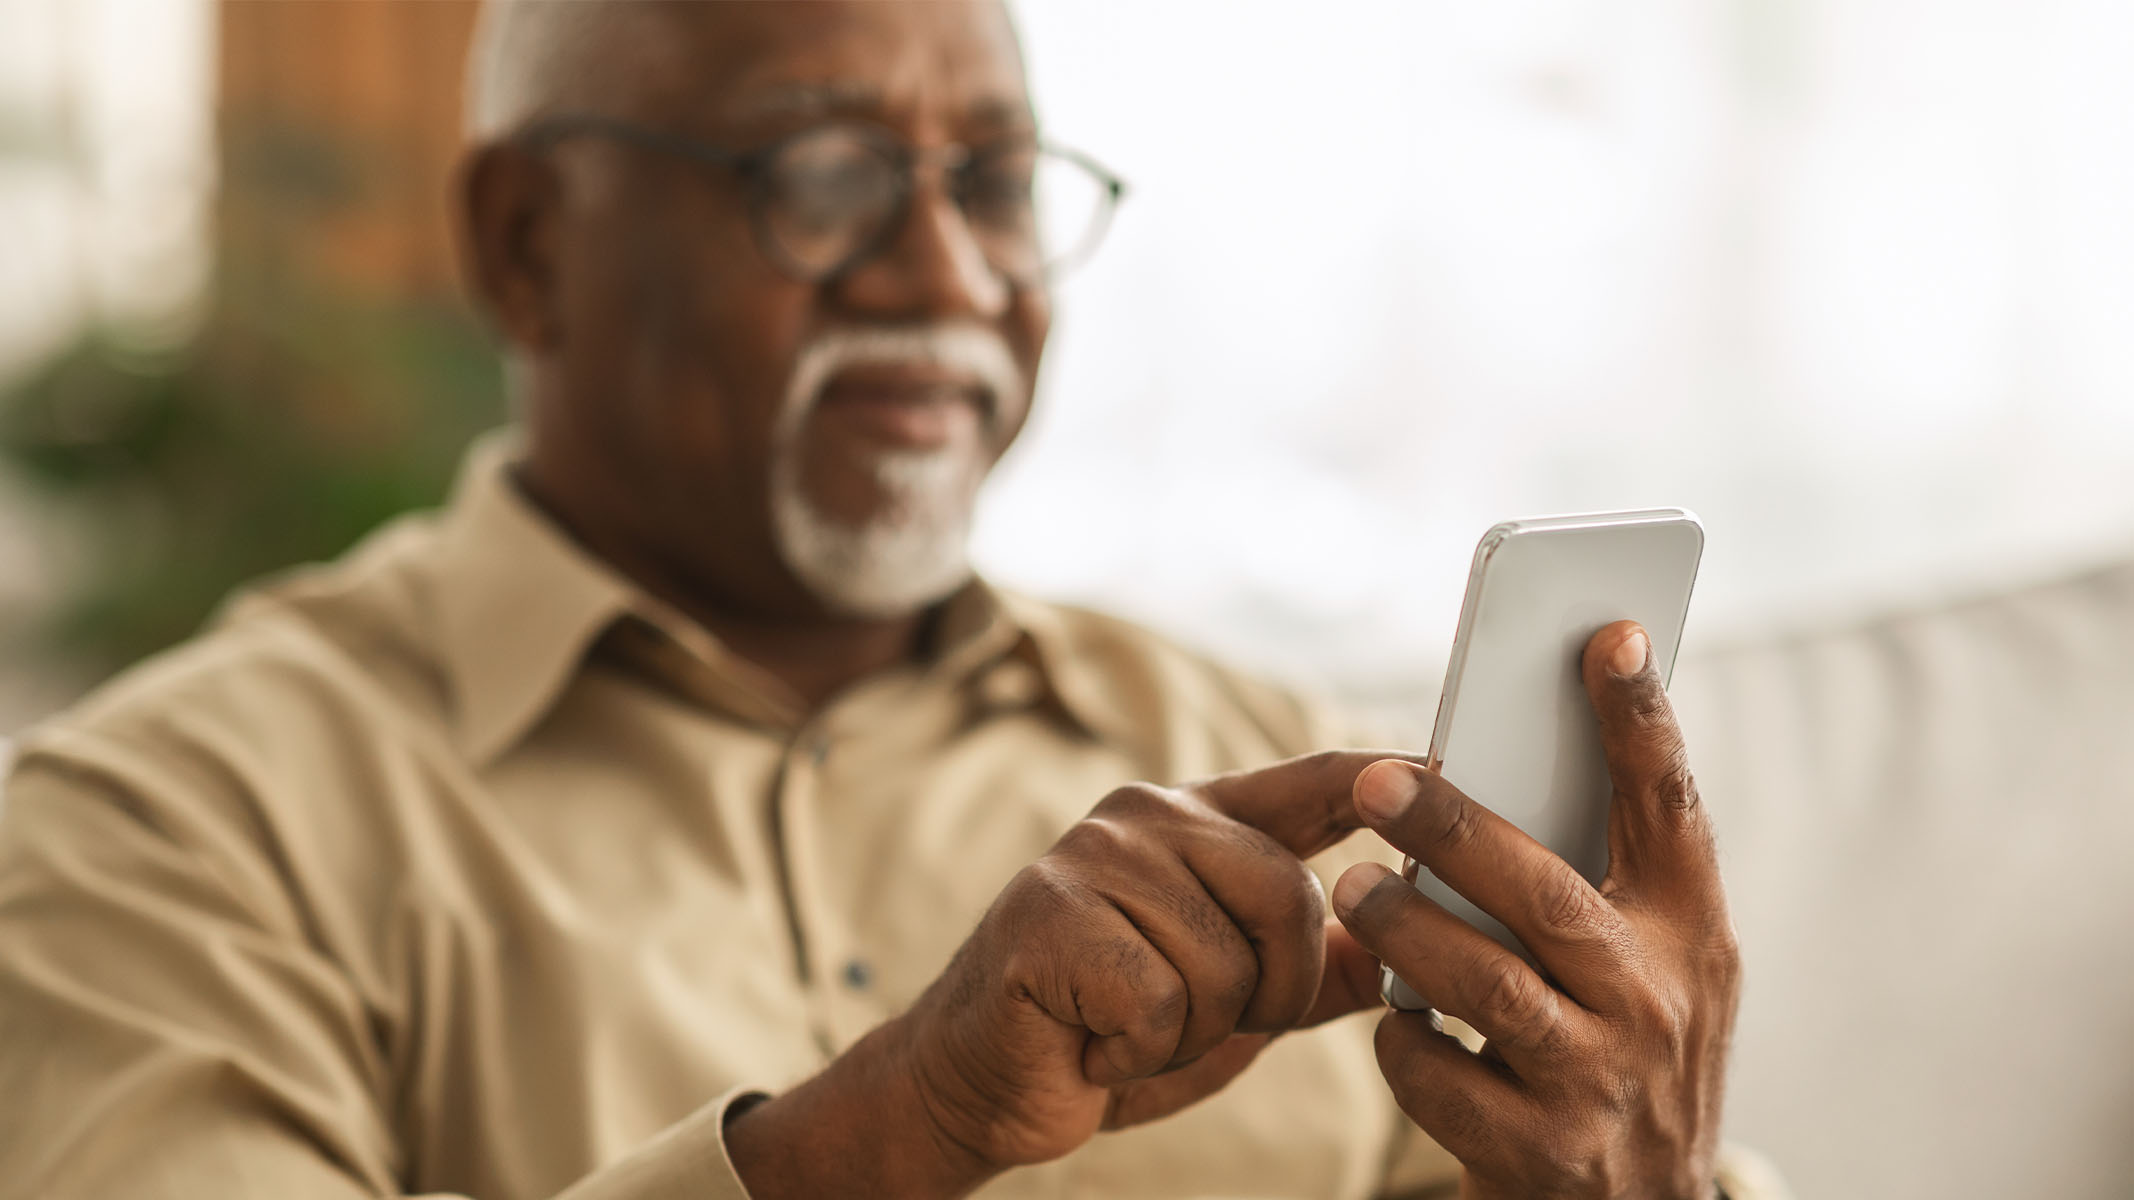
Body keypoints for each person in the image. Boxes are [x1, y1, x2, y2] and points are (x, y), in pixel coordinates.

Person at [0, 3, 1768, 1197]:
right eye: (824, 176)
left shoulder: (1290, 779)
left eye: (994, 184)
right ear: (528, 242)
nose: (946, 275)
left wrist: (1646, 1167)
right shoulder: (157, 827)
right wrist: (883, 1135)